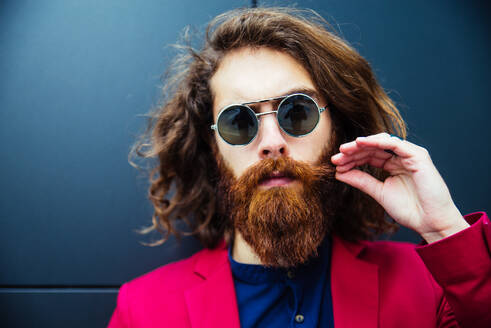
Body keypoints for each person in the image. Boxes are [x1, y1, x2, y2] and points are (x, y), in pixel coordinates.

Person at [108, 7, 490, 328]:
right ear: (214, 148)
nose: (273, 141)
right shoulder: (143, 310)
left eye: (297, 112)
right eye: (239, 121)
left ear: (335, 129)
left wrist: (444, 229)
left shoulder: (427, 287)